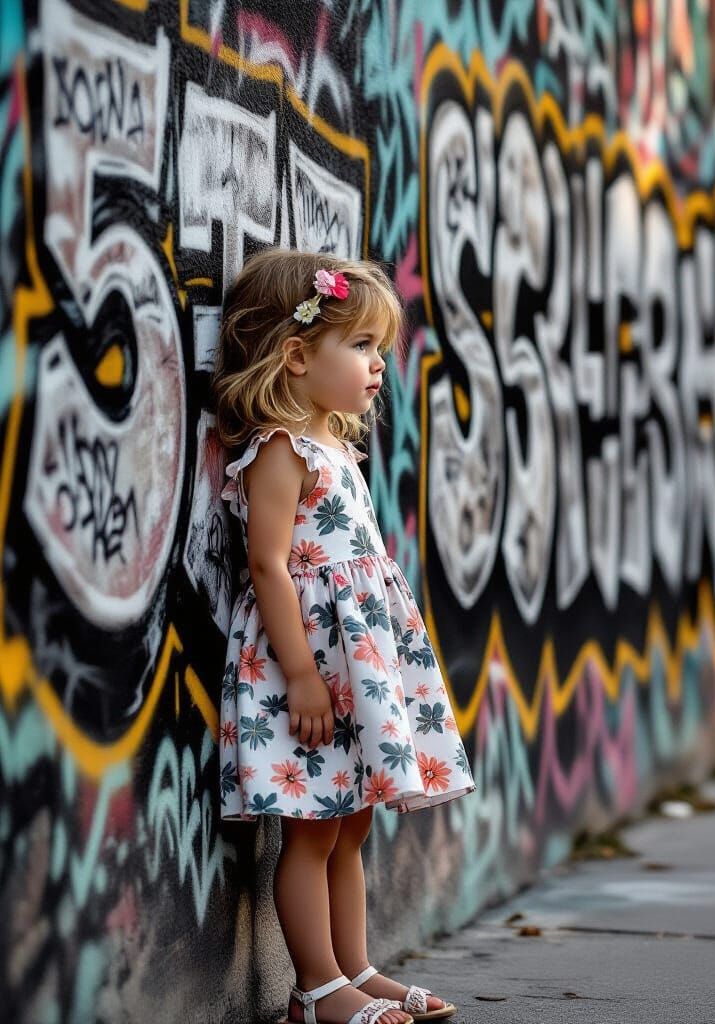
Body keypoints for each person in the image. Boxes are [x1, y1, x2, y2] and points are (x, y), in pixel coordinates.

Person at [212, 250, 475, 1024]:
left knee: (351, 821)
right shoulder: (281, 452)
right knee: (312, 829)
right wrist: (298, 673)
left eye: (378, 350)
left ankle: (354, 968)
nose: (377, 368)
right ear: (295, 356)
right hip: (312, 666)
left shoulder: (336, 446)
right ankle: (316, 987)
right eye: (360, 347)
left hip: (355, 662)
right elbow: (268, 565)